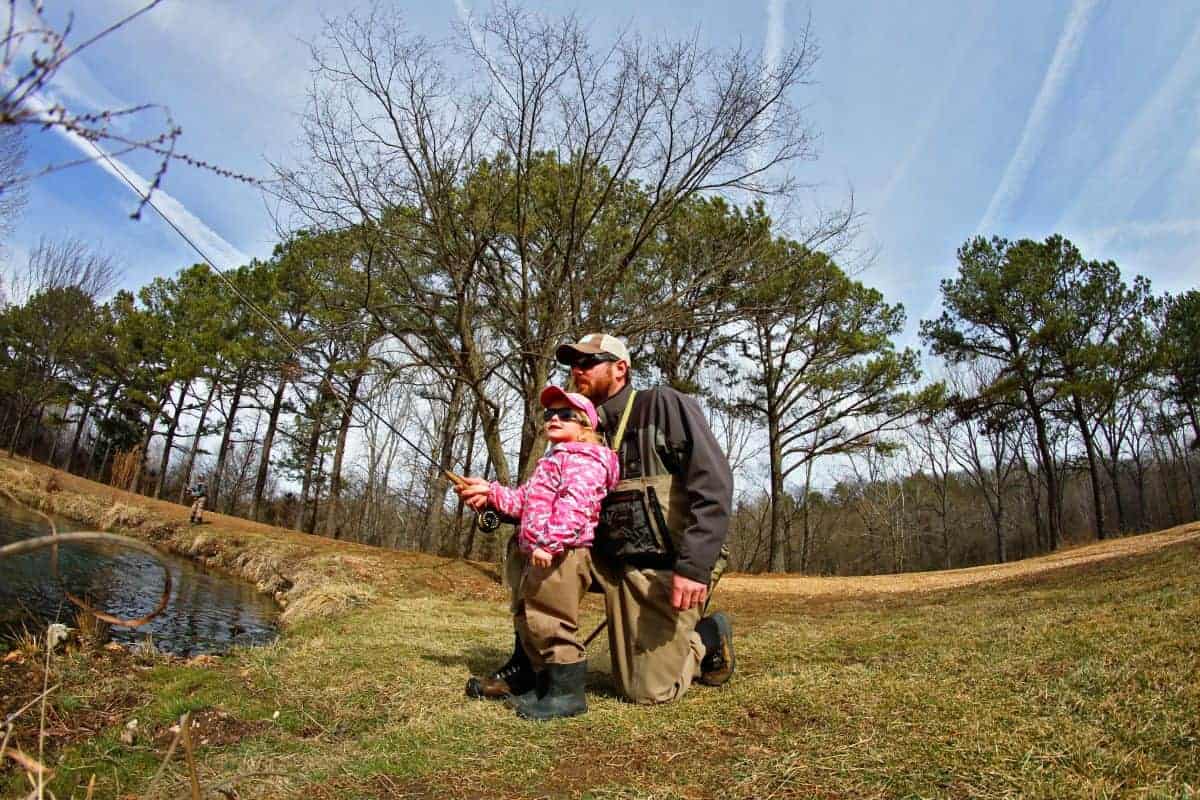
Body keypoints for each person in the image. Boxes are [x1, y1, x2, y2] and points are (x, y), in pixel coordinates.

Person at [458, 333, 735, 707]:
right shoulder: (577, 429)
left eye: (589, 362)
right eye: (573, 363)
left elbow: (715, 483)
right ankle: (531, 662)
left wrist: (695, 564)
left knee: (647, 691)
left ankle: (707, 635)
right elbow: (548, 505)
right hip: (606, 557)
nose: (577, 369)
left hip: (664, 564)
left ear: (621, 368)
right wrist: (492, 498)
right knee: (526, 546)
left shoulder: (662, 405)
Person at [463, 386, 619, 720]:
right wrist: (488, 492)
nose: (554, 419)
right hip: (538, 553)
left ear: (586, 427)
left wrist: (551, 544)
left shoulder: (584, 459)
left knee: (552, 621)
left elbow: (576, 506)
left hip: (563, 554)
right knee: (530, 618)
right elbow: (522, 502)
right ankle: (546, 686)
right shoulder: (553, 459)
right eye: (550, 414)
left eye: (566, 415)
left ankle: (567, 695)